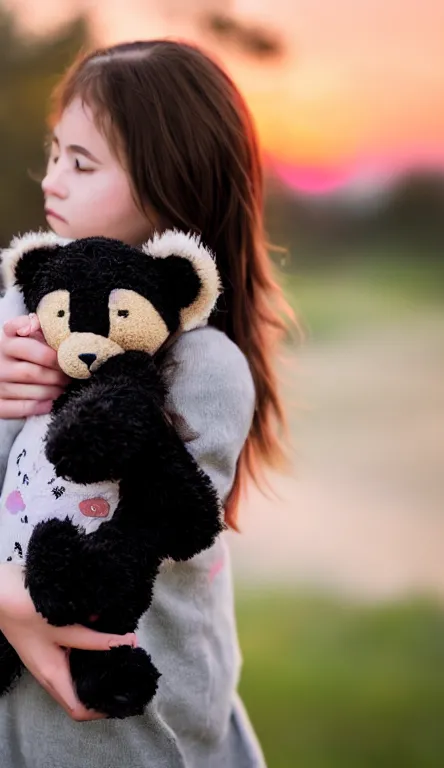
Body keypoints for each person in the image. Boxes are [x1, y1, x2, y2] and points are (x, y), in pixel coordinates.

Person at [0, 39, 293, 767]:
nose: (52, 181)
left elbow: (147, 529)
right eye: (55, 152)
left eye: (82, 163)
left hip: (133, 737)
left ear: (172, 192)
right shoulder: (14, 314)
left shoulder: (201, 366)